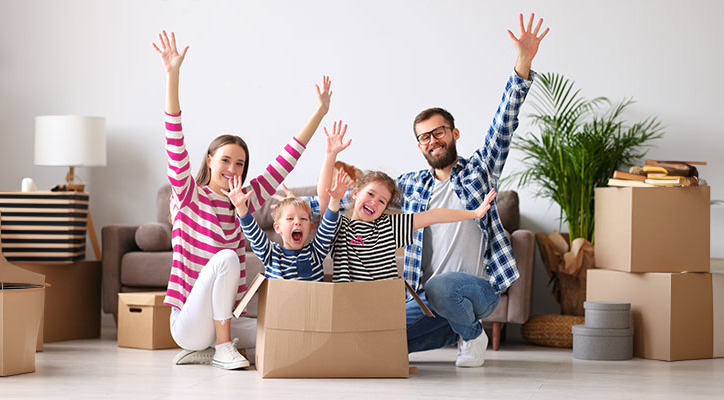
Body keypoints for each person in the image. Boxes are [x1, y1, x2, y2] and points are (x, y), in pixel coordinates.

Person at [152, 30, 333, 369]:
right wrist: (172, 75)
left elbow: (286, 160)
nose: (232, 168)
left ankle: (215, 347)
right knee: (226, 258)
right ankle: (220, 348)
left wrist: (319, 113)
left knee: (277, 327)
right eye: (225, 160)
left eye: (240, 163)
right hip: (188, 323)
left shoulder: (244, 201)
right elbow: (173, 137)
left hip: (226, 320)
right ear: (209, 161)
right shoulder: (189, 194)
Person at [399, 13, 549, 368]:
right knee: (384, 339)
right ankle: (456, 329)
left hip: (479, 291)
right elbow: (364, 196)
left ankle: (470, 333)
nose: (433, 140)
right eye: (425, 137)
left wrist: (523, 63)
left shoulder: (479, 171)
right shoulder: (411, 186)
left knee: (442, 286)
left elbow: (503, 125)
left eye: (439, 132)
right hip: (426, 297)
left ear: (454, 133)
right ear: (419, 146)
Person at [316, 122, 497, 282]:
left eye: (382, 201)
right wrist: (330, 154)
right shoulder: (340, 226)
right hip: (346, 304)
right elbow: (324, 202)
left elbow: (433, 215)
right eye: (370, 194)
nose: (374, 202)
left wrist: (474, 214)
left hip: (383, 306)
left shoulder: (389, 226)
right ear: (355, 194)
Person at [224, 169, 351, 281]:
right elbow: (253, 233)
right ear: (278, 228)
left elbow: (327, 228)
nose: (297, 222)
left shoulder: (315, 253)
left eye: (303, 219)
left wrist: (335, 200)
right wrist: (241, 208)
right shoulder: (271, 254)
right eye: (290, 218)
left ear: (310, 228)